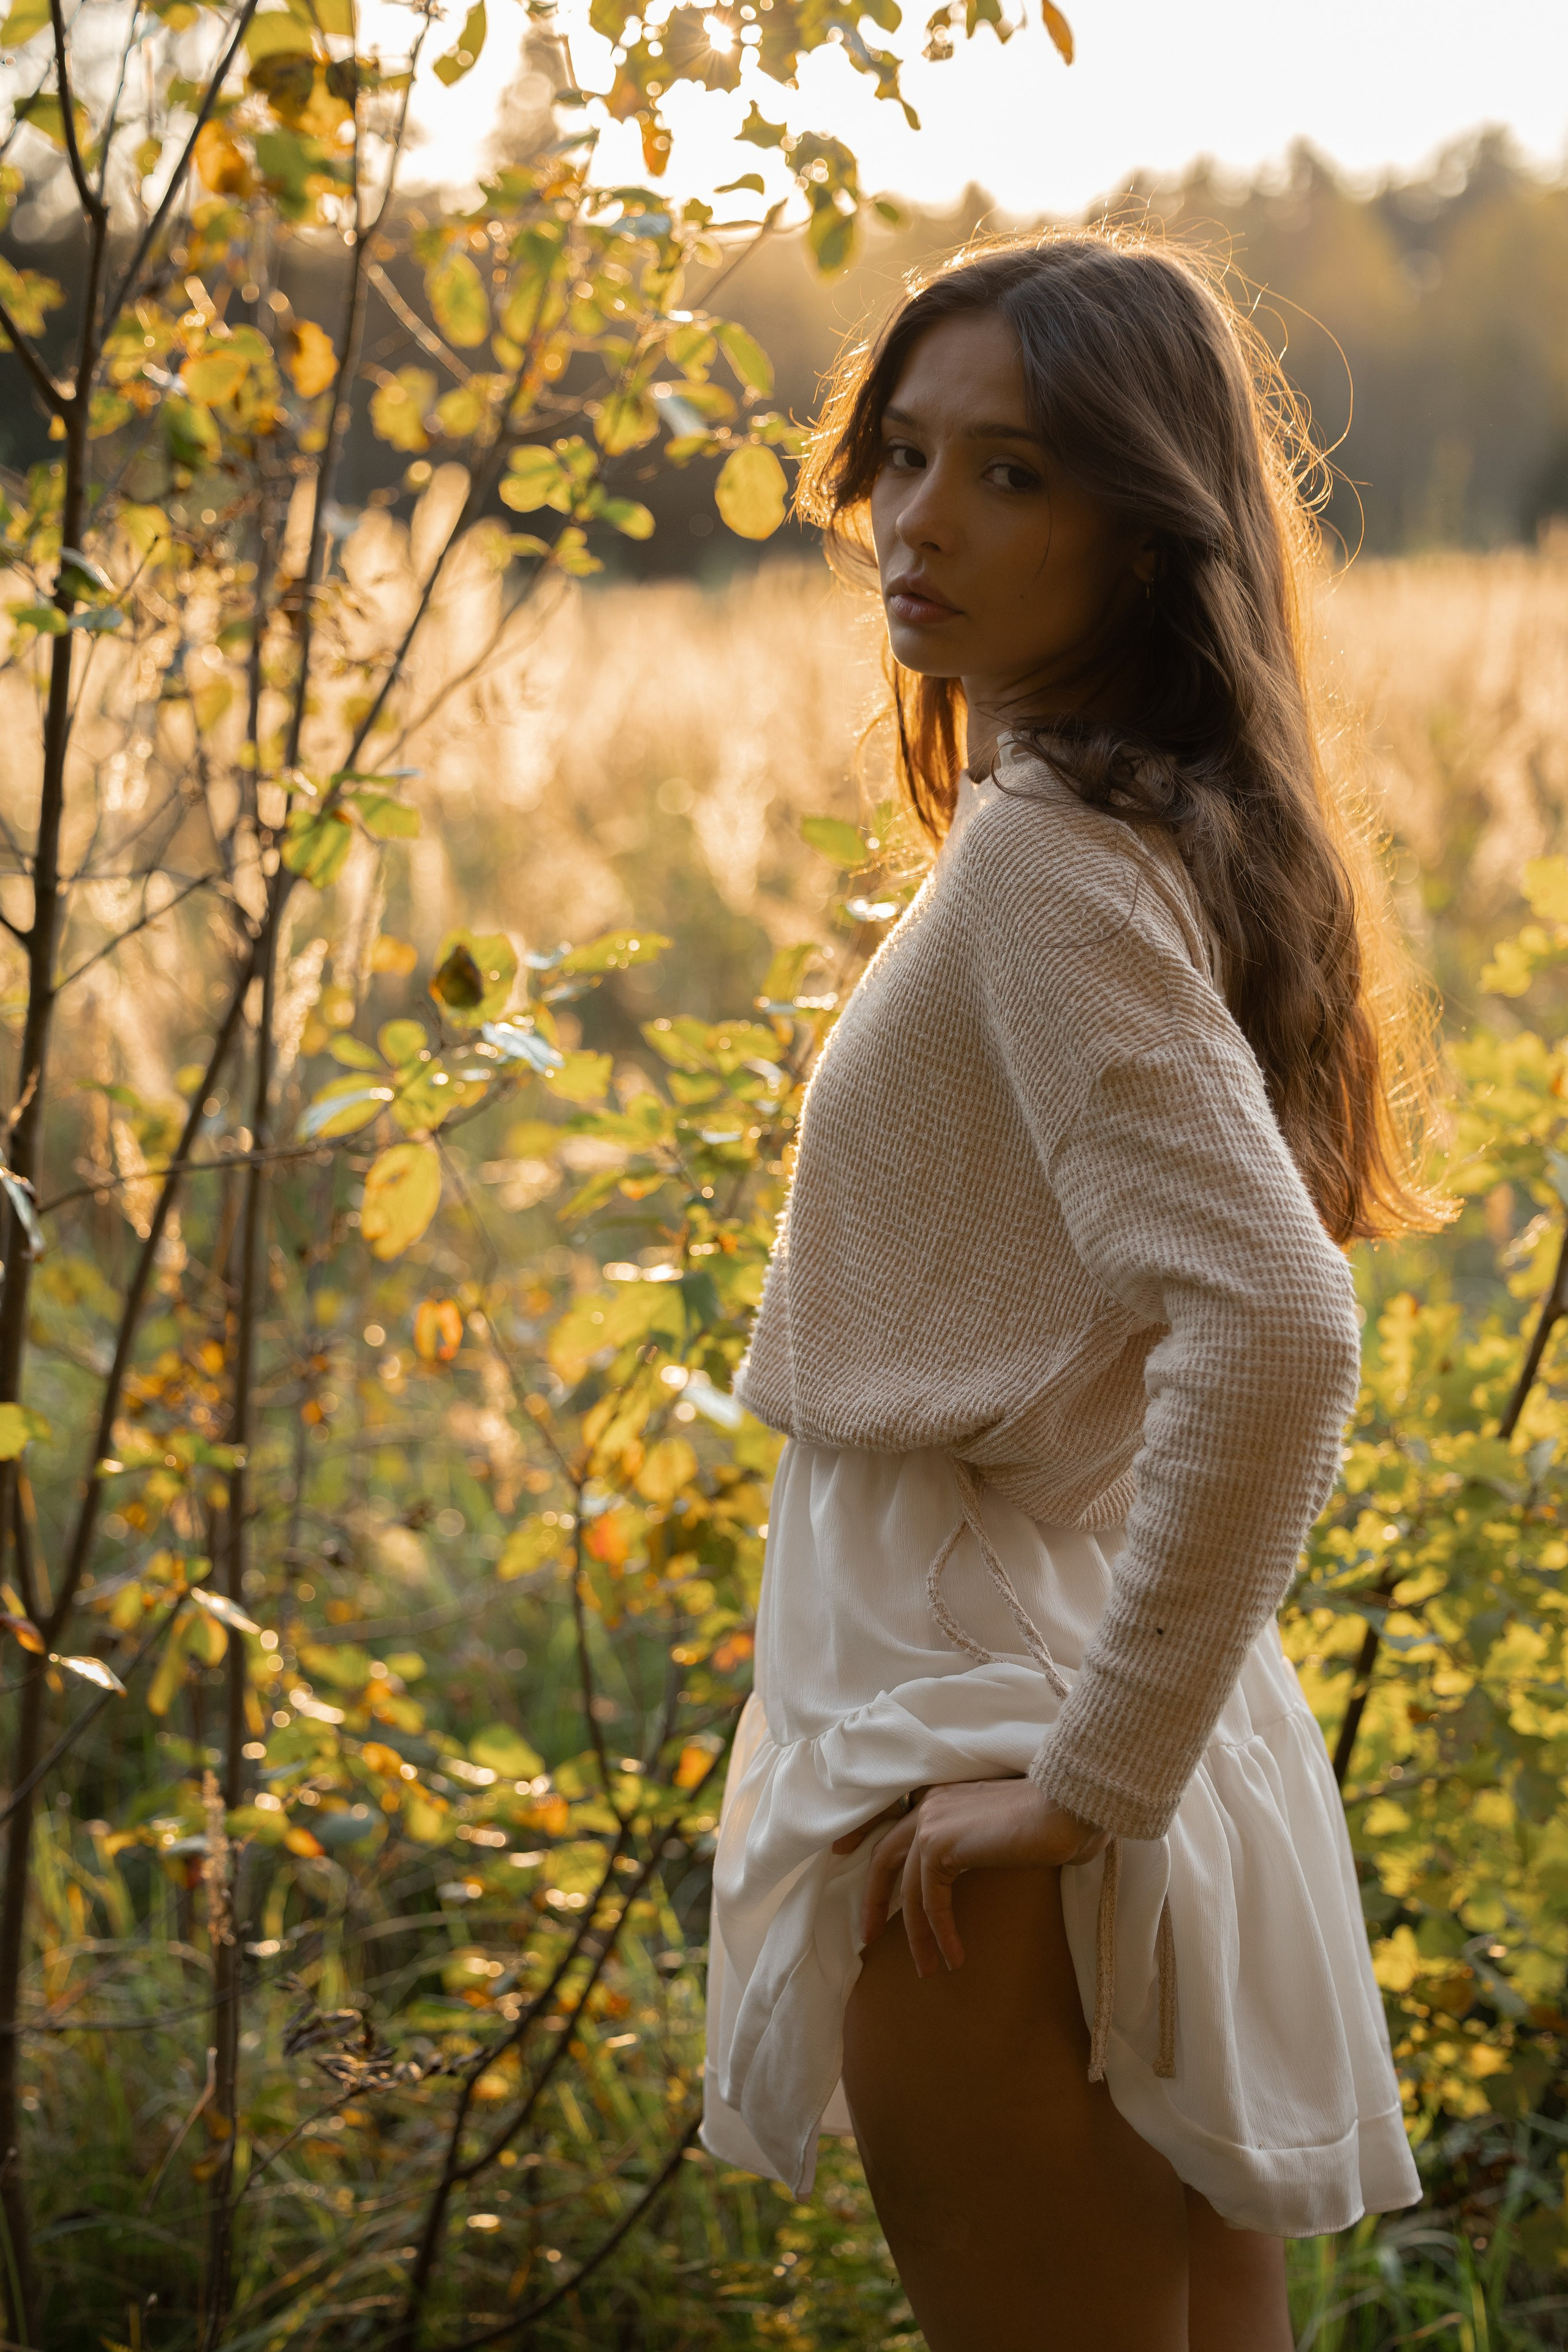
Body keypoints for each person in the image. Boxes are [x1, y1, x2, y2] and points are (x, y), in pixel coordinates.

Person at [699, 229, 1441, 2350]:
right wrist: (1111, 1762)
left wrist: (1081, 1782)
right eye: (905, 454)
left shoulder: (1047, 857)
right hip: (1080, 1694)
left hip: (980, 1729)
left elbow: (1276, 1325)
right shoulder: (1147, 822)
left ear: (1144, 531)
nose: (919, 520)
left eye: (1010, 473)